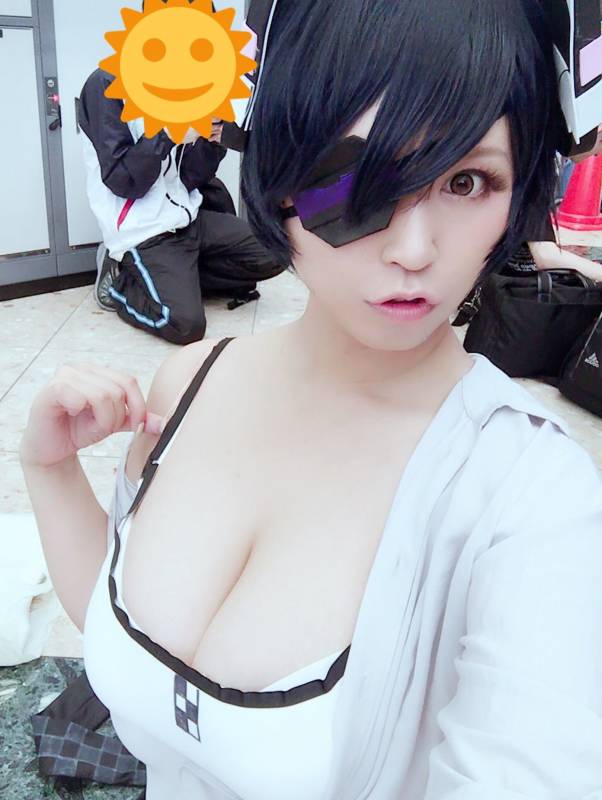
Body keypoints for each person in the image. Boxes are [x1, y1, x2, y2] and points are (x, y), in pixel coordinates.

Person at [20, 0, 602, 798]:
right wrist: (50, 472)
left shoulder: (532, 500)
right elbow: (129, 647)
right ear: (278, 163)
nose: (413, 250)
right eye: (355, 175)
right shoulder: (189, 382)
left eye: (467, 181)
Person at [78, 66, 283, 344]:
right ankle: (121, 283)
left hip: (187, 217)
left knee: (276, 251)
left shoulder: (180, 81)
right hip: (143, 230)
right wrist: (167, 133)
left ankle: (178, 279)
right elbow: (124, 182)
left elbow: (191, 176)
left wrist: (214, 137)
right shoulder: (105, 84)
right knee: (184, 325)